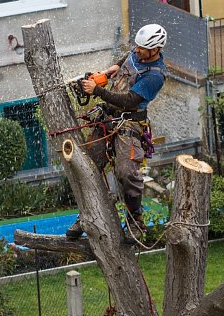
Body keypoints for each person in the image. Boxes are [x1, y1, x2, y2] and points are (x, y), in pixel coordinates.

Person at [65, 24, 168, 244]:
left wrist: (97, 90)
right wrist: (110, 70)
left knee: (126, 172)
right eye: (137, 46)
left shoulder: (155, 76)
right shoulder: (138, 51)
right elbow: (127, 59)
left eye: (142, 49)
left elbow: (129, 101)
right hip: (107, 117)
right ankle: (87, 216)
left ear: (155, 49)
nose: (137, 50)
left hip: (129, 123)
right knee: (87, 166)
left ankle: (135, 221)